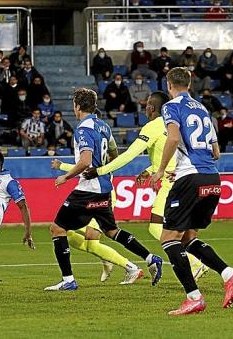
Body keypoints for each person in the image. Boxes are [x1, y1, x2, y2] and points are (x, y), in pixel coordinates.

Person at [44, 88, 163, 291]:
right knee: (111, 231)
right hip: (105, 188)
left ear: (77, 106)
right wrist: (105, 172)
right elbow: (114, 153)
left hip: (87, 189)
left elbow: (85, 161)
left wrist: (65, 176)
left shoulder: (83, 129)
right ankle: (150, 257)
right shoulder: (104, 127)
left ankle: (68, 279)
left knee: (57, 229)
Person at [83, 91, 209, 280]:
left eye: (147, 105)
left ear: (151, 108)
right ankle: (201, 263)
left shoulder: (153, 127)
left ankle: (195, 264)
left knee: (157, 228)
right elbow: (175, 154)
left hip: (172, 183)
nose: (145, 108)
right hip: (193, 178)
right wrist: (151, 170)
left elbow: (128, 155)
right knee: (183, 230)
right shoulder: (176, 124)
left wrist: (100, 171)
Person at [150, 67, 233, 315]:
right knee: (187, 238)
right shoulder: (203, 109)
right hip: (211, 177)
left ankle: (194, 298)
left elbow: (172, 139)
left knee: (168, 238)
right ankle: (229, 273)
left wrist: (161, 170)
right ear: (190, 83)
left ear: (169, 84)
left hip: (190, 178)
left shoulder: (171, 106)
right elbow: (215, 153)